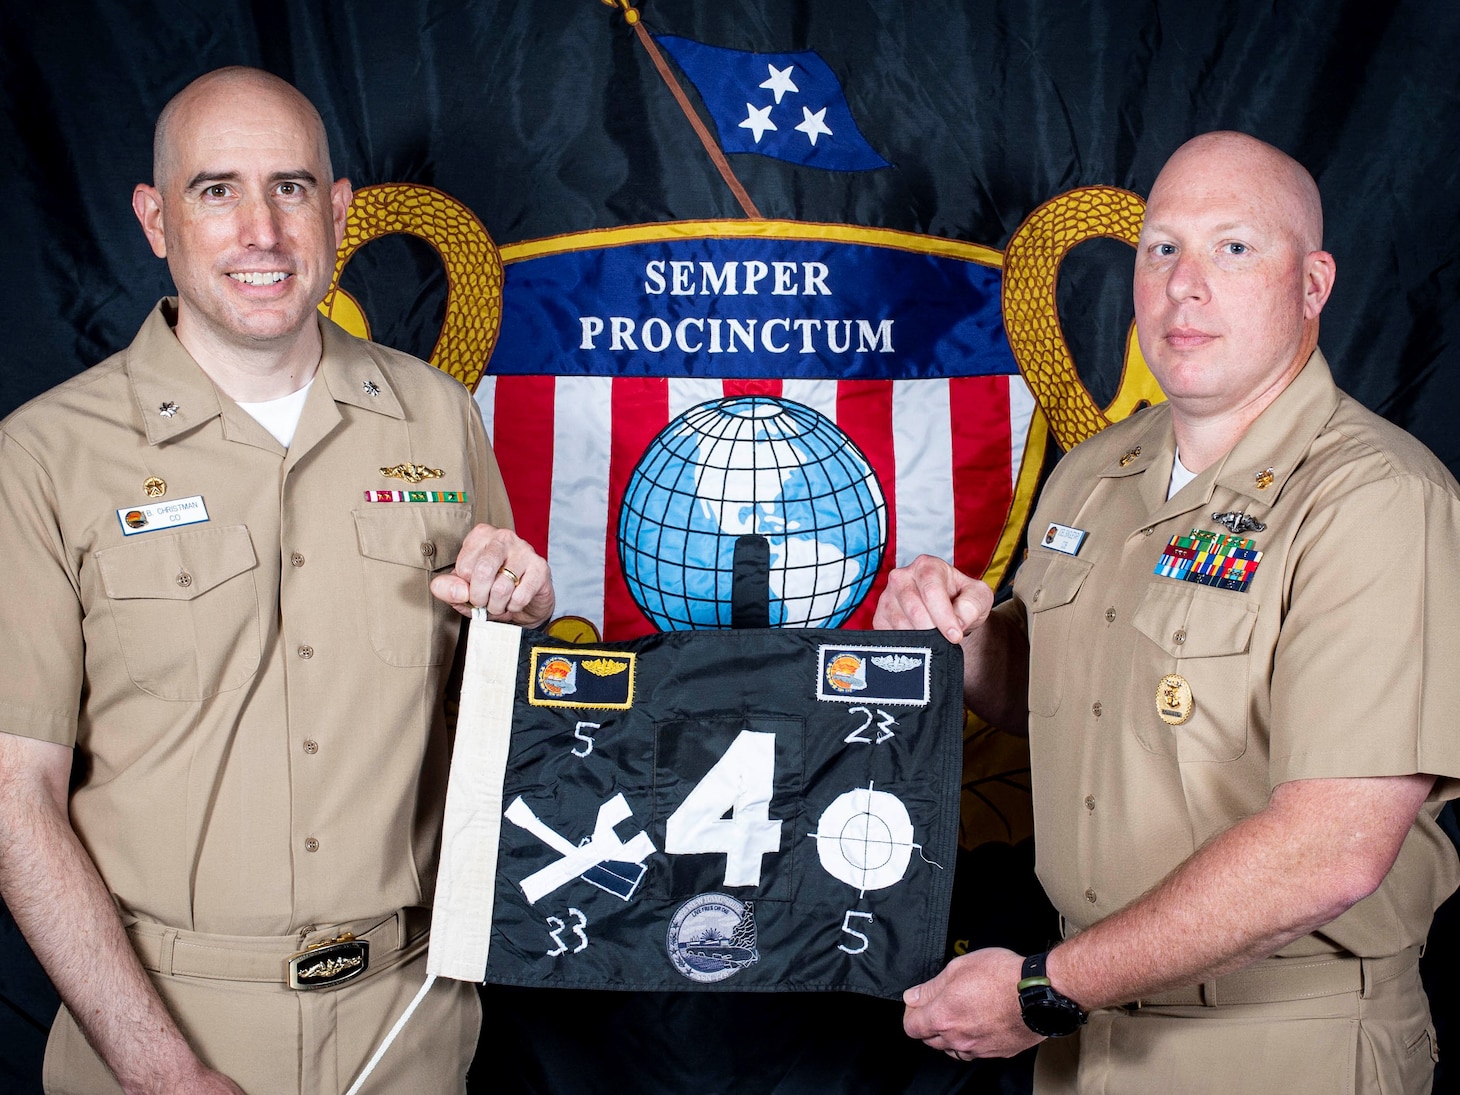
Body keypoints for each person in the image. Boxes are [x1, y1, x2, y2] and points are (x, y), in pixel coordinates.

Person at [0, 66, 552, 1094]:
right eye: (216, 191)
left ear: (338, 211)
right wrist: (155, 1066)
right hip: (161, 1030)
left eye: (291, 188)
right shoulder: (42, 457)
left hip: (410, 1027)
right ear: (155, 219)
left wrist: (526, 620)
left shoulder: (439, 420)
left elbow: (496, 723)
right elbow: (12, 798)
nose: (261, 229)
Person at [874, 131, 1460, 1094]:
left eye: (1234, 248)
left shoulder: (1372, 498)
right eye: (1162, 248)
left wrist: (1045, 990)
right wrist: (961, 638)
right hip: (1087, 1040)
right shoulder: (1096, 473)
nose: (1185, 284)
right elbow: (1048, 692)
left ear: (1312, 284)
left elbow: (1333, 846)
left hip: (1278, 1041)